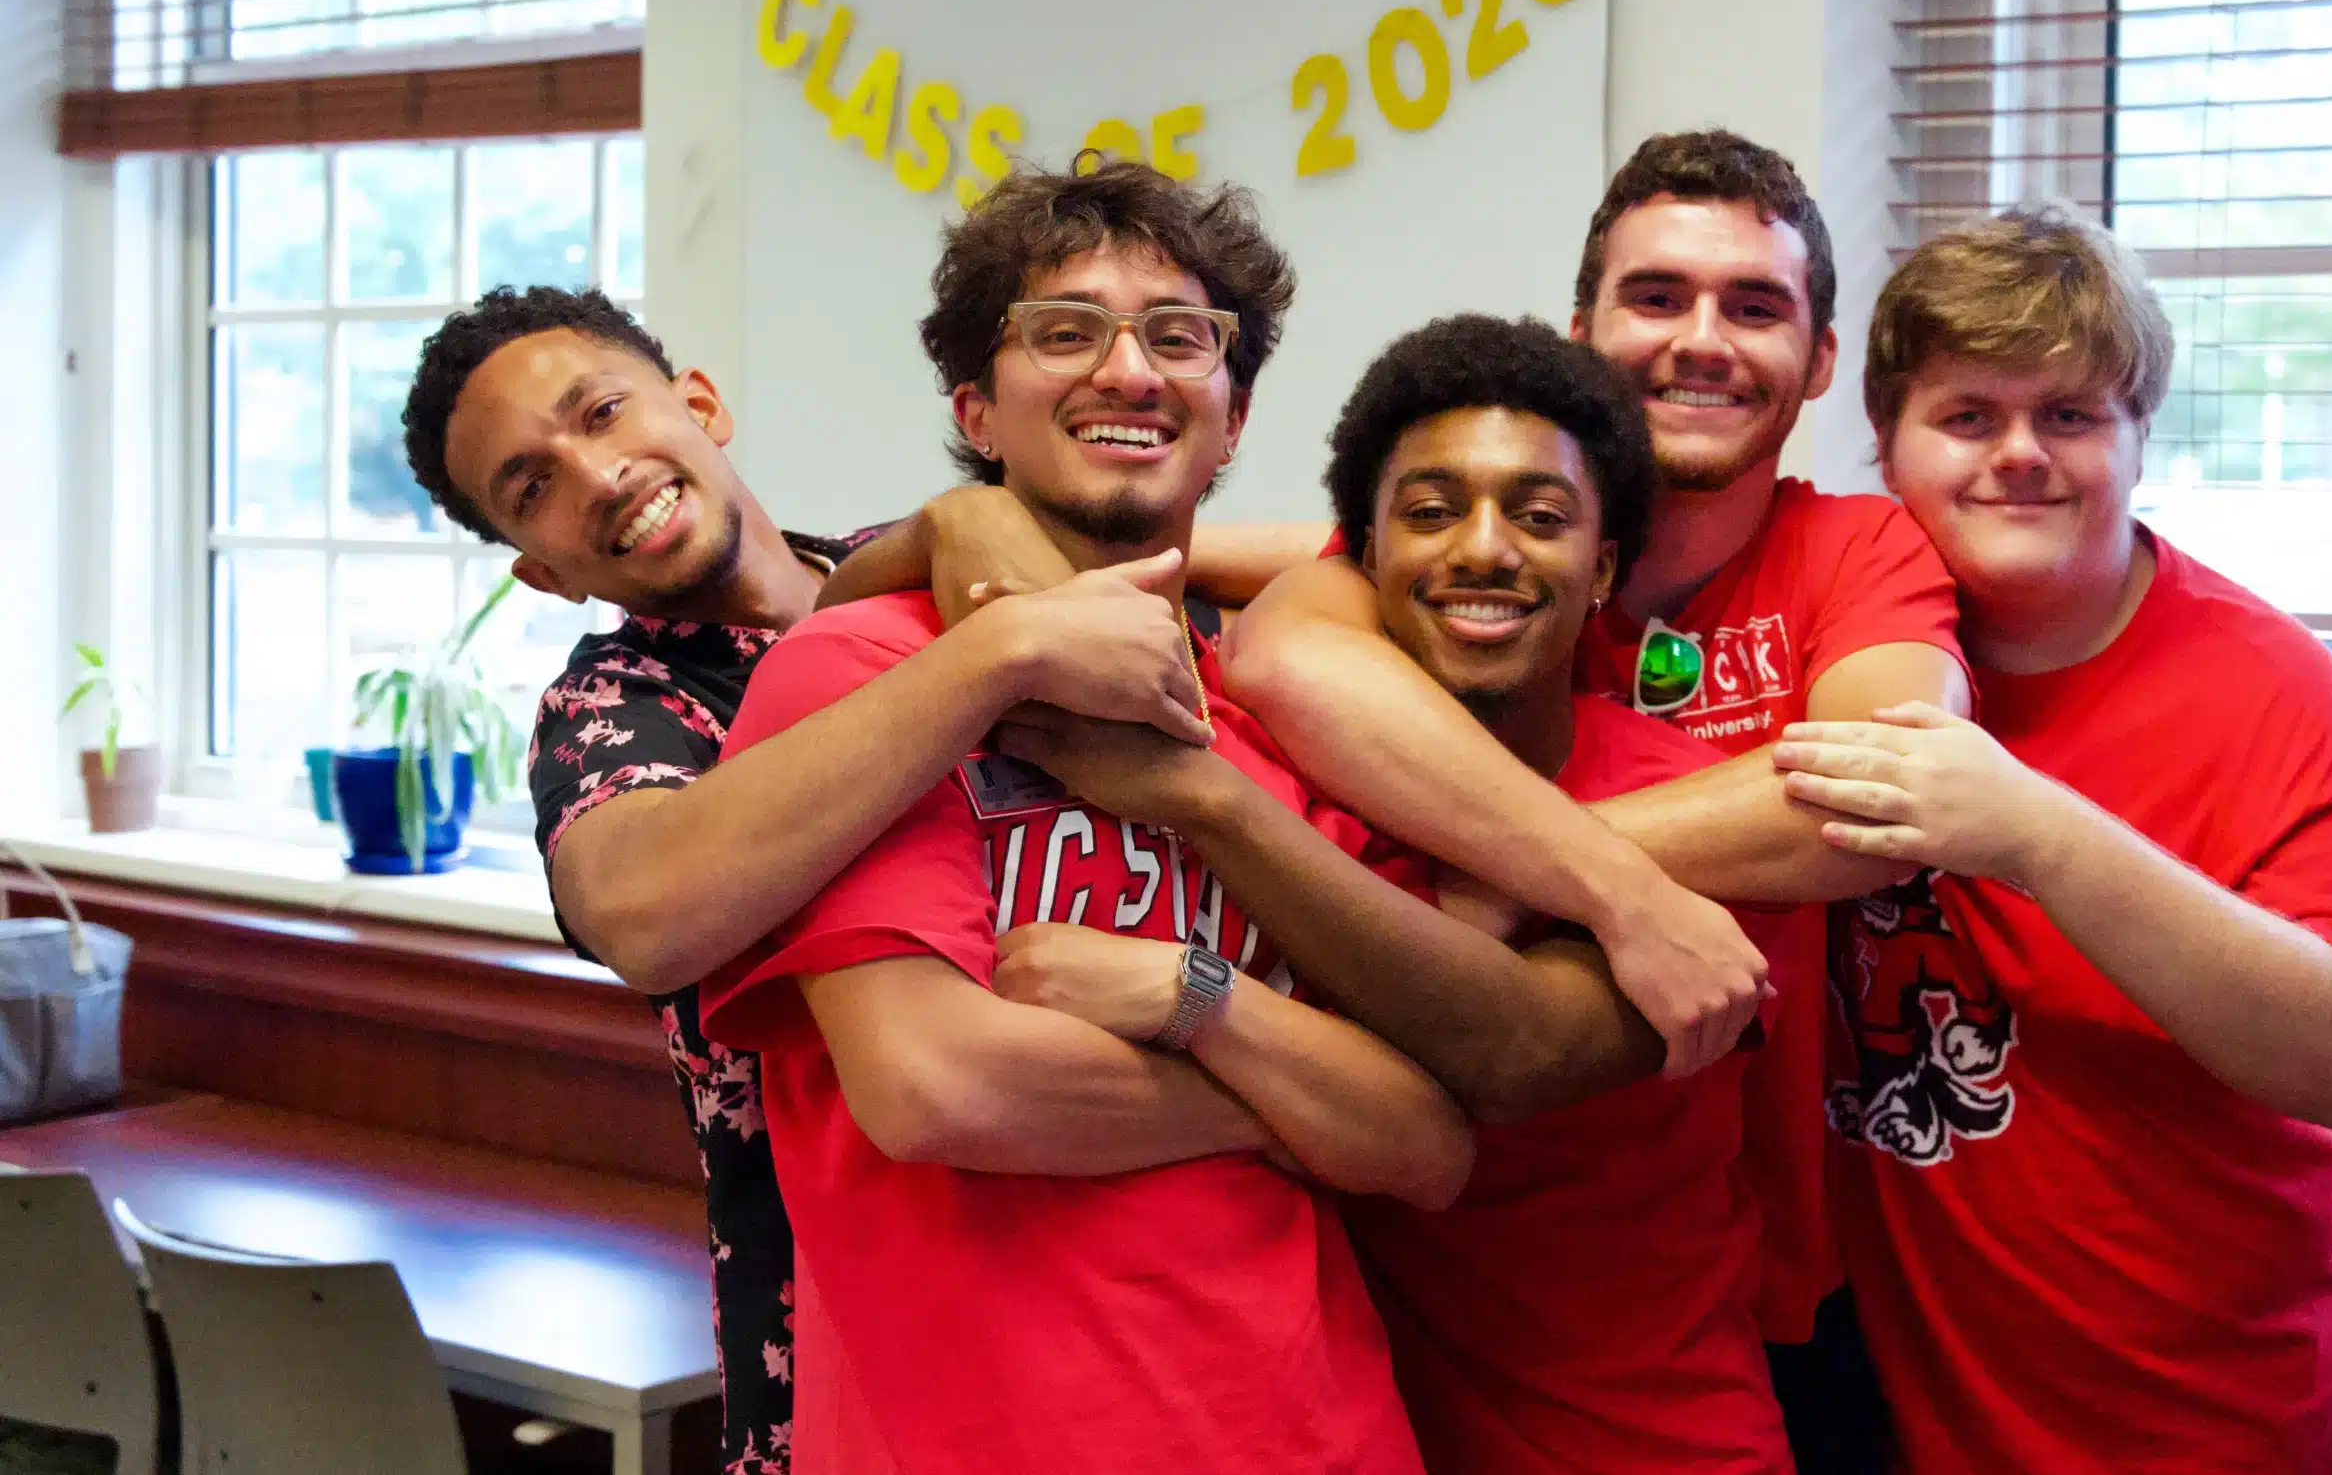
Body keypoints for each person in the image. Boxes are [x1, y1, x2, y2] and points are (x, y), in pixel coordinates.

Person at [696, 160, 1470, 1475]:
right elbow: (939, 1084)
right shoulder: (866, 677)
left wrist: (1194, 992)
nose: (1129, 370)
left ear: (1230, 420)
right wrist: (1288, 1101)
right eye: (1064, 331)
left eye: (1181, 336)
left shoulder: (1291, 716)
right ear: (976, 411)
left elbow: (1428, 1138)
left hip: (1323, 1435)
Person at [400, 284, 1209, 1473]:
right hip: (863, 1362)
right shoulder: (616, 709)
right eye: (534, 485)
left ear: (701, 404)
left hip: (1143, 1296)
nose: (599, 474)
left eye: (605, 411)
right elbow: (645, 912)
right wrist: (999, 652)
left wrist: (951, 530)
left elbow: (1275, 569)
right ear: (543, 574)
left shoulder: (932, 570)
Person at [1001, 312, 1798, 1473]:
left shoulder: (1692, 810)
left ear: (1607, 566)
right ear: (1358, 559)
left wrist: (1210, 811)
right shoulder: (1283, 748)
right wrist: (961, 510)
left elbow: (1513, 1056)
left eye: (1540, 516)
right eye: (1430, 512)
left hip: (1647, 1441)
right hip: (1343, 1430)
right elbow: (999, 577)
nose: (1483, 549)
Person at [1777, 203, 2332, 1474]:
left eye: (2069, 416)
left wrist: (2033, 830)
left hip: (2198, 1426)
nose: (2017, 455)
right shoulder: (1845, 636)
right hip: (1895, 1412)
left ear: (2136, 438)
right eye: (1968, 416)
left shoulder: (2270, 688)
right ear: (1889, 442)